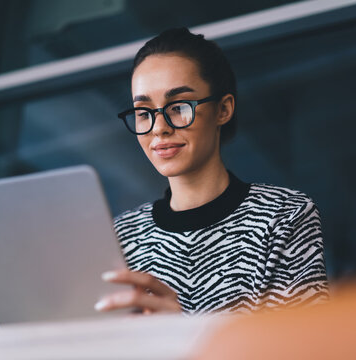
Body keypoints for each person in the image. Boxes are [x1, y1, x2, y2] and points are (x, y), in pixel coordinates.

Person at [94, 27, 329, 315]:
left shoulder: (283, 215)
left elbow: (305, 348)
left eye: (178, 106)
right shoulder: (120, 236)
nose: (159, 127)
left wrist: (183, 335)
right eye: (144, 113)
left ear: (223, 109)